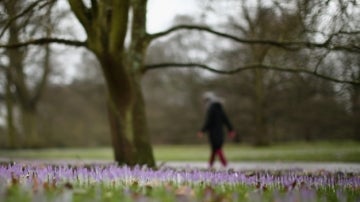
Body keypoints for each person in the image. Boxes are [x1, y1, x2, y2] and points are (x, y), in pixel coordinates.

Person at [198, 92, 235, 168]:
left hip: (213, 132)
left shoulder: (211, 109)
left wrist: (202, 131)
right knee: (215, 148)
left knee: (217, 148)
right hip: (220, 132)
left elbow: (208, 121)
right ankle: (210, 164)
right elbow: (226, 119)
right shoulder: (219, 108)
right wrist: (230, 129)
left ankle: (225, 164)